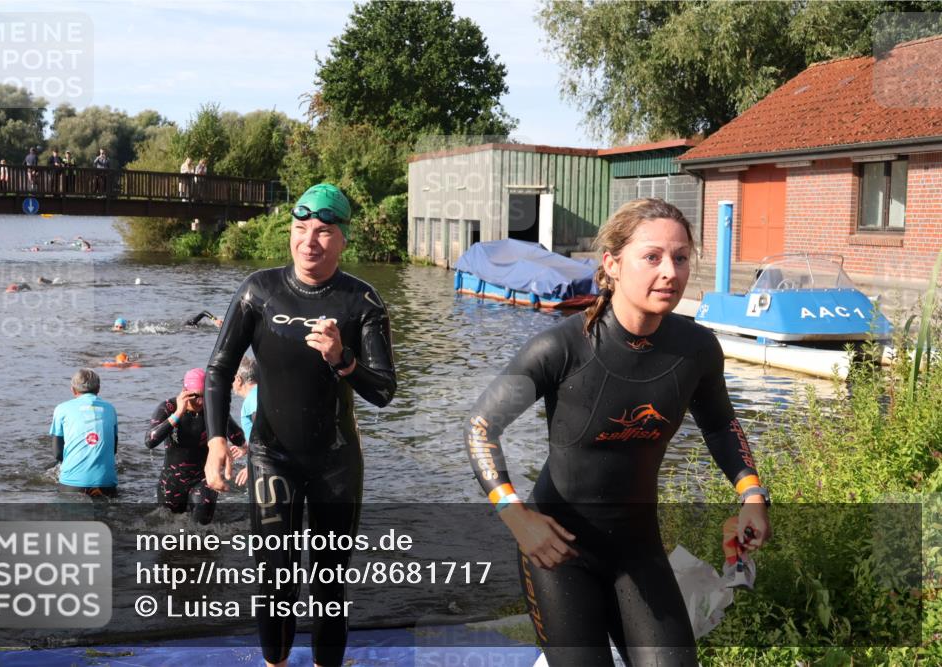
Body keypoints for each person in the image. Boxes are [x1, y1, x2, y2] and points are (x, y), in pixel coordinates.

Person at [465, 198, 772, 666]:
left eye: (681, 257)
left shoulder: (697, 349)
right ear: (612, 264)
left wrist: (752, 496)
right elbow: (481, 426)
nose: (669, 271)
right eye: (652, 257)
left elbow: (720, 425)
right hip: (557, 550)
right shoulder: (559, 347)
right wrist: (516, 516)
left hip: (638, 549)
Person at [203, 182, 396, 667]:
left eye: (324, 231)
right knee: (274, 577)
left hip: (335, 462)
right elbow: (219, 369)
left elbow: (384, 391)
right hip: (272, 456)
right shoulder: (259, 290)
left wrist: (343, 358)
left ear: (343, 239)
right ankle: (277, 664)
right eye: (300, 228)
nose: (310, 240)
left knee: (329, 580)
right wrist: (216, 441)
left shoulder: (362, 302)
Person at [145, 368, 245, 525]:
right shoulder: (168, 407)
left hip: (202, 479)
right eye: (195, 396)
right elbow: (150, 441)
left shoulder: (212, 409)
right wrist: (178, 414)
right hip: (172, 481)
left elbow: (238, 439)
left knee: (201, 528)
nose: (200, 401)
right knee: (166, 530)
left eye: (204, 396)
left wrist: (220, 412)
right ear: (185, 392)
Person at [50, 368, 119, 498]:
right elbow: (113, 450)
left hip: (72, 485)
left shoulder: (61, 409)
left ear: (73, 390)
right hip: (106, 484)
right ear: (98, 389)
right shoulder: (110, 409)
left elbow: (57, 453)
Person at [231, 356, 258, 488]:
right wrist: (246, 448)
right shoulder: (265, 392)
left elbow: (266, 433)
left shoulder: (251, 401)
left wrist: (251, 466)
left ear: (238, 379)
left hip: (265, 464)